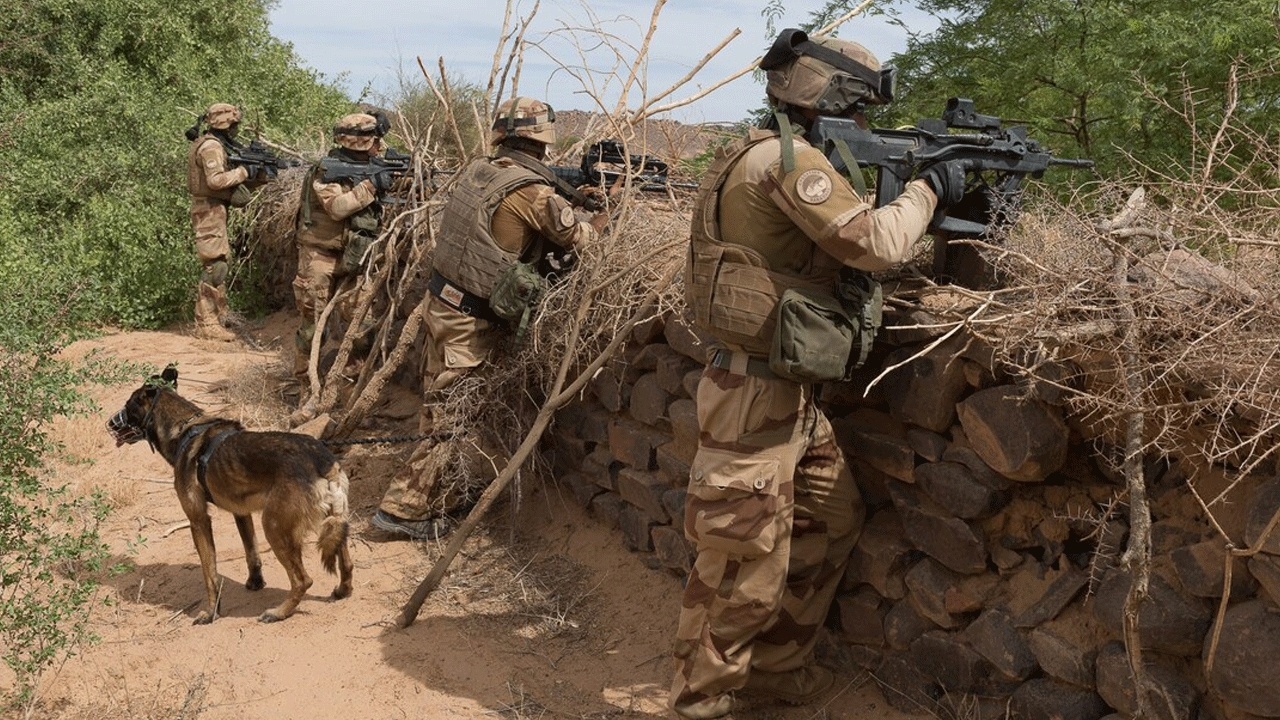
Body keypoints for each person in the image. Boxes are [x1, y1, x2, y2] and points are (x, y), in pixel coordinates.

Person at [669, 29, 972, 719]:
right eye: (858, 105)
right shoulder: (787, 162)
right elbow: (877, 245)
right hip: (755, 393)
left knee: (832, 520)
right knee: (740, 561)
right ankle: (698, 700)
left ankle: (772, 672)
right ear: (828, 96)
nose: (863, 119)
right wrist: (928, 188)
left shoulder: (759, 150)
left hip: (784, 390)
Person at [370, 96, 609, 541]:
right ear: (544, 141)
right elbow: (583, 241)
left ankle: (438, 492)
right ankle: (403, 509)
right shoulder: (533, 193)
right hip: (469, 321)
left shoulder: (479, 170)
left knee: (440, 406)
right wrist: (604, 212)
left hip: (443, 303)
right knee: (451, 417)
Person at [292, 112, 391, 386]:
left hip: (356, 257)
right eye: (372, 140)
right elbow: (337, 208)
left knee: (362, 327)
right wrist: (371, 185)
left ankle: (349, 385)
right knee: (312, 328)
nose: (376, 146)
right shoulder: (327, 170)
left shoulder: (372, 165)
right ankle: (306, 386)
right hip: (318, 256)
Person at [186, 102, 252, 342]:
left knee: (221, 261)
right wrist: (243, 173)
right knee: (215, 265)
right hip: (208, 209)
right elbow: (215, 181)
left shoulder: (215, 143)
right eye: (234, 125)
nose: (236, 129)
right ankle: (207, 323)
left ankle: (219, 315)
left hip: (214, 209)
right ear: (226, 124)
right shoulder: (212, 146)